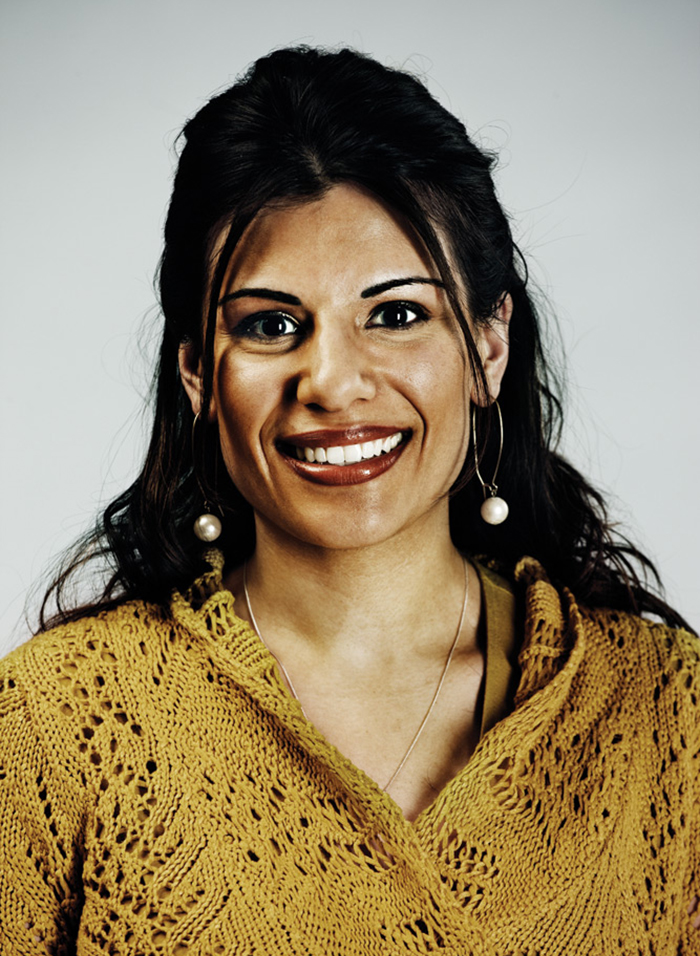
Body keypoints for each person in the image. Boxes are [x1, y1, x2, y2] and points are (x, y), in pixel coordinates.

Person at [0, 46, 697, 955]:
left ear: (488, 349)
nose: (330, 382)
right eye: (271, 325)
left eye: (397, 313)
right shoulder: (53, 724)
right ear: (199, 375)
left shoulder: (666, 712)